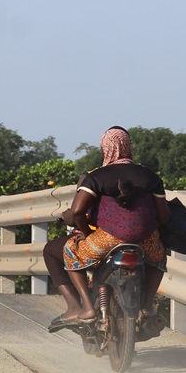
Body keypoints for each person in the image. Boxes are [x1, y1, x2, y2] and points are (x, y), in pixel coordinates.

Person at [44, 126, 169, 329]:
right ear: (129, 147)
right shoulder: (150, 177)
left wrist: (87, 234)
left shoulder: (96, 176)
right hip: (144, 241)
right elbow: (164, 217)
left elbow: (77, 212)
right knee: (160, 256)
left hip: (107, 239)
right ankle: (147, 306)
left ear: (105, 148)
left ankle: (85, 307)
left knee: (71, 251)